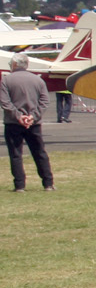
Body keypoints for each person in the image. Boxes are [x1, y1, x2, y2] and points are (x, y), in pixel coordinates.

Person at [2, 53, 55, 191]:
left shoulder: (6, 81)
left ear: (13, 65)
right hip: (34, 123)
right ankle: (48, 183)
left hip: (13, 123)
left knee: (16, 154)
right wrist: (33, 116)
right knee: (39, 152)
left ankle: (20, 185)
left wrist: (19, 116)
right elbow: (44, 101)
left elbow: (5, 103)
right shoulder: (38, 80)